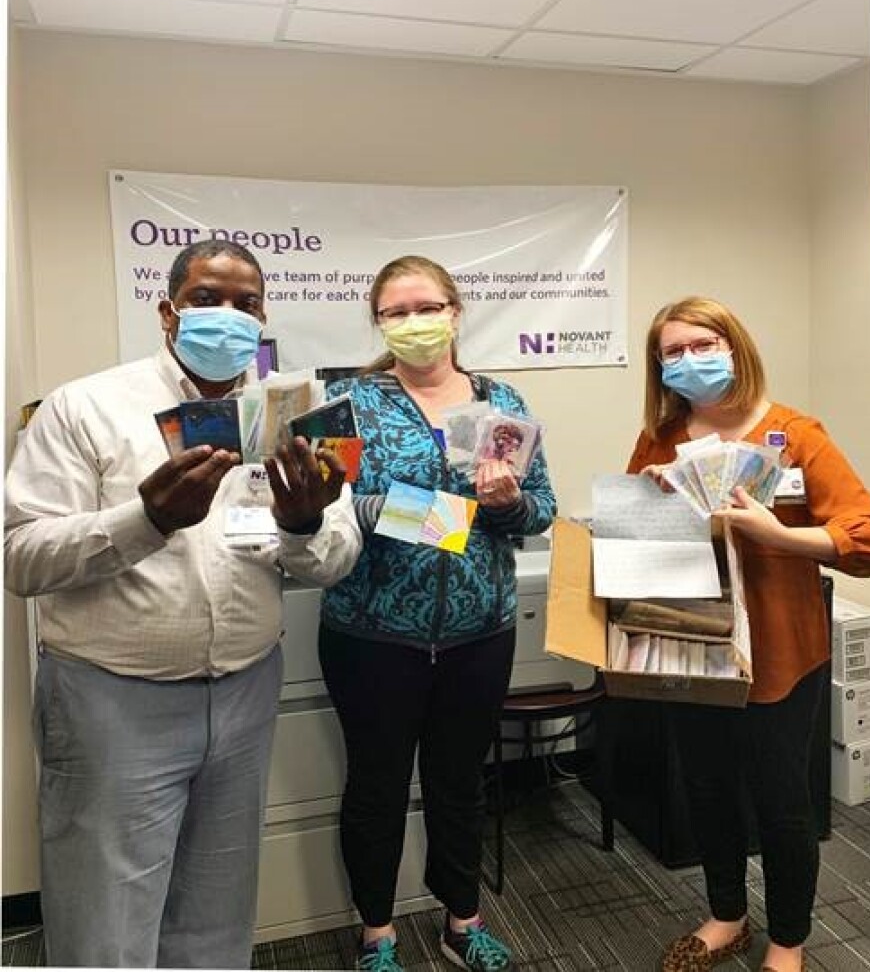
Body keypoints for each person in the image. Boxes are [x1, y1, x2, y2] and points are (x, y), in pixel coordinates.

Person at [4, 239, 362, 969]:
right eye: (207, 298)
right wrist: (147, 521)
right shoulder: (88, 406)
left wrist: (303, 523)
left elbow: (339, 554)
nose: (227, 315)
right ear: (168, 312)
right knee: (104, 926)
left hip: (244, 690)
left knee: (216, 916)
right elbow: (22, 557)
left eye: (246, 302)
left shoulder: (299, 414)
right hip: (110, 701)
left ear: (264, 318)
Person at [318, 255, 557, 972]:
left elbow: (541, 510)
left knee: (461, 785)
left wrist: (511, 505)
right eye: (396, 311)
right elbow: (322, 508)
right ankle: (377, 935)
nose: (414, 322)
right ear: (379, 322)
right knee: (376, 787)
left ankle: (463, 920)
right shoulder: (347, 403)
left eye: (427, 306)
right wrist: (442, 517)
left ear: (456, 311)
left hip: (478, 634)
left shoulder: (502, 399)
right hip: (371, 635)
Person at [627, 296, 870, 972]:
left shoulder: (795, 433)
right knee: (706, 789)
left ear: (734, 346)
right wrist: (653, 499)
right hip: (692, 645)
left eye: (701, 344)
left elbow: (869, 535)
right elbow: (632, 539)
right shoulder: (662, 436)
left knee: (781, 802)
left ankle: (788, 940)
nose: (688, 359)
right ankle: (726, 916)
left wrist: (783, 535)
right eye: (672, 351)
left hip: (780, 654)